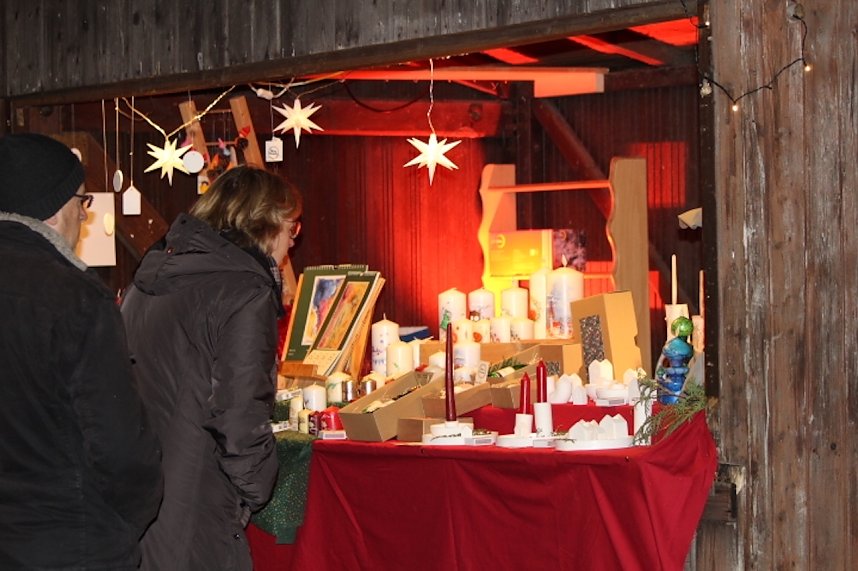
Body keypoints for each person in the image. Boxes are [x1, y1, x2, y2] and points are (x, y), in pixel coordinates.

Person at [121, 165, 302, 570]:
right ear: (266, 224)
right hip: (196, 502)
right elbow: (240, 416)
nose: (292, 242)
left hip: (143, 492)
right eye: (292, 228)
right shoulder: (243, 292)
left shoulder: (148, 279)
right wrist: (258, 488)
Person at [0, 133, 163, 569]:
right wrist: (124, 524)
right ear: (55, 207)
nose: (84, 216)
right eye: (82, 202)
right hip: (71, 544)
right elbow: (121, 449)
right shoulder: (75, 298)